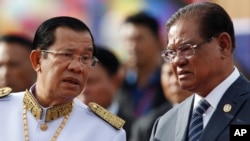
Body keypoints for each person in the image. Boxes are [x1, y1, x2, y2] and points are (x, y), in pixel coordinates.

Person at [0, 16, 126, 141]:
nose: (77, 67)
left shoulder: (106, 132)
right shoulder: (4, 108)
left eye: (86, 58)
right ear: (37, 60)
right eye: (66, 55)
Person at [150, 2, 250, 141]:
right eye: (171, 53)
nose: (178, 61)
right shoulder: (165, 125)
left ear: (223, 45)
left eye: (186, 48)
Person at [117, 11, 166, 120]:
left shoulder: (171, 81)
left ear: (158, 40)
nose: (132, 47)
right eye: (128, 40)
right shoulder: (118, 83)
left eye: (139, 39)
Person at [78, 45, 133, 139]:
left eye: (91, 82)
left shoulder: (134, 130)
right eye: (78, 82)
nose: (84, 90)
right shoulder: (63, 124)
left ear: (116, 82)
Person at [129, 63, 191, 141]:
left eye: (181, 73)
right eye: (169, 74)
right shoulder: (147, 125)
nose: (175, 81)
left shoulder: (205, 115)